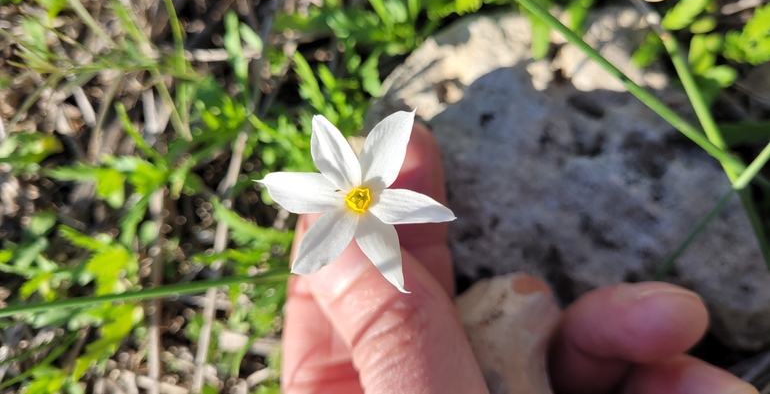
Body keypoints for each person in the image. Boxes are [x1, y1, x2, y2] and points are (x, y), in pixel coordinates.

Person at [281, 124, 759, 394]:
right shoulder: (346, 212)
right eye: (359, 198)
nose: (361, 199)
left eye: (361, 196)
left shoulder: (370, 197)